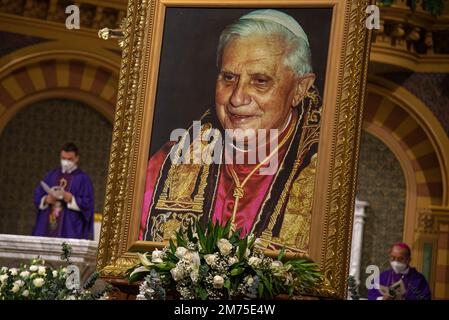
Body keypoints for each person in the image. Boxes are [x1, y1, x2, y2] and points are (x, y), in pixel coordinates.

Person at [140, 9, 322, 252]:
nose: (237, 98)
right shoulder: (168, 162)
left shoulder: (324, 176)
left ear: (300, 89)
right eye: (228, 77)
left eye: (260, 81)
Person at [32, 143, 94, 240]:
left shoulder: (83, 179)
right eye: (63, 158)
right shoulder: (52, 175)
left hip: (69, 228)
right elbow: (38, 194)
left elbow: (89, 203)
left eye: (69, 159)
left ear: (77, 158)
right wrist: (46, 200)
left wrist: (71, 199)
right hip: (47, 226)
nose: (65, 162)